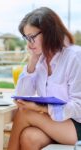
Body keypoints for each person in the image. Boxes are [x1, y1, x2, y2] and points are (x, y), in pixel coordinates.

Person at [8, 7, 81, 150]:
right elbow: (21, 97)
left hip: (77, 124)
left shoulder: (75, 57)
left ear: (48, 32)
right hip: (56, 124)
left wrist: (41, 108)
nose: (29, 44)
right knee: (29, 137)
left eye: (32, 37)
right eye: (26, 38)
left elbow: (79, 107)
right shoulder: (40, 60)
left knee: (24, 113)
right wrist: (32, 62)